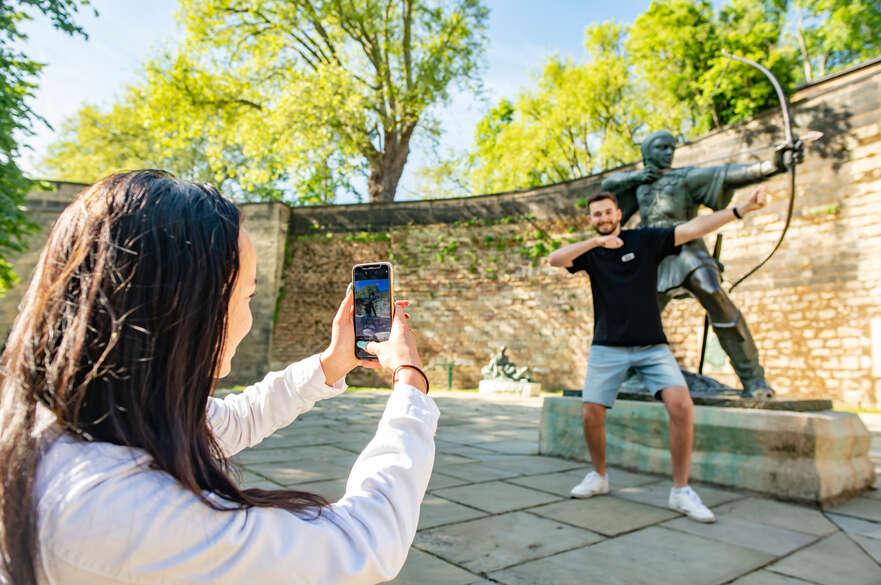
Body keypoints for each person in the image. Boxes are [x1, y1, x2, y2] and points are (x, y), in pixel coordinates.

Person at [0, 170, 436, 585]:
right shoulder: (117, 512)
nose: (247, 317)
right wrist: (410, 383)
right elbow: (362, 544)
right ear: (190, 311)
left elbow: (235, 418)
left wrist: (333, 361)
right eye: (247, 294)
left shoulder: (71, 418)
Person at [548, 186, 767, 523]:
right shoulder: (589, 253)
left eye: (608, 212)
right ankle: (600, 476)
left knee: (681, 405)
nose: (603, 218)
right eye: (596, 214)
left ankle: (681, 491)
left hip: (652, 347)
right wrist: (595, 244)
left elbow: (694, 228)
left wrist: (741, 209)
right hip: (607, 347)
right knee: (591, 414)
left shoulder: (645, 240)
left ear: (618, 214)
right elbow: (555, 258)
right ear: (591, 219)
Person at [601, 130, 802, 398]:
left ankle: (754, 379)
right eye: (661, 147)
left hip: (687, 249)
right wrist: (636, 177)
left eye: (671, 147)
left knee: (712, 292)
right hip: (651, 254)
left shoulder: (685, 177)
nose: (668, 152)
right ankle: (625, 375)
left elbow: (730, 173)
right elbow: (607, 187)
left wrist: (772, 166)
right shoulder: (639, 184)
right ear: (647, 152)